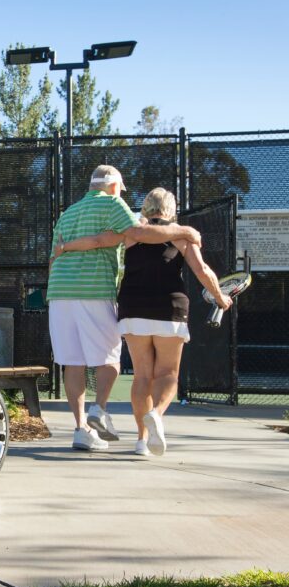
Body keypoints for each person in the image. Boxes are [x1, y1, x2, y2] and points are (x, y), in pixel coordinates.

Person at [53, 187, 231, 456]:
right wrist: (220, 298)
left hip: (132, 307)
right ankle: (156, 414)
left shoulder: (131, 233)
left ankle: (141, 441)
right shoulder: (184, 235)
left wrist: (64, 247)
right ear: (171, 210)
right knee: (168, 373)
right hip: (170, 308)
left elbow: (99, 240)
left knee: (143, 375)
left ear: (146, 208)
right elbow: (202, 271)